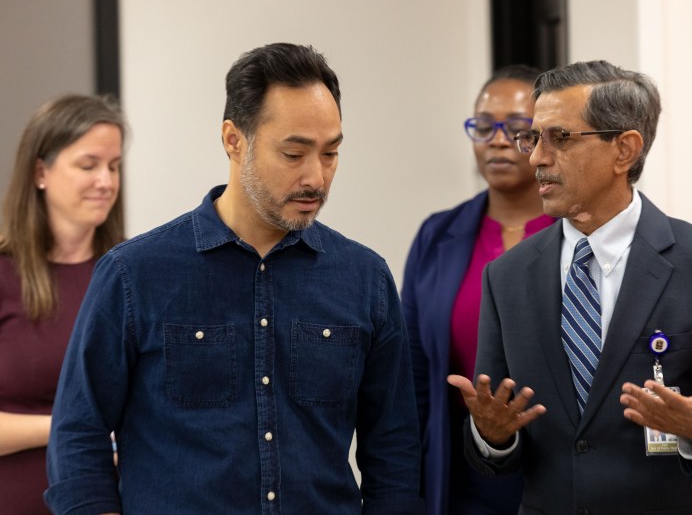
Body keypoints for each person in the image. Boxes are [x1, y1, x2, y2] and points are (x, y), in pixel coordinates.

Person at [45, 43, 423, 515]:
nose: (316, 178)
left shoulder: (365, 278)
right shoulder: (134, 275)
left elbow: (395, 451)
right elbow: (78, 433)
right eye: (293, 152)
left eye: (330, 153)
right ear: (233, 139)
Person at [448, 60, 692, 514]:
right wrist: (491, 436)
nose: (537, 158)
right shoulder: (506, 276)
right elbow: (497, 440)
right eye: (534, 137)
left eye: (559, 138)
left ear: (624, 150)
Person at [402, 64, 553, 515]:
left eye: (519, 128)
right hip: (461, 477)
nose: (499, 140)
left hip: (561, 472)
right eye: (485, 127)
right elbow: (413, 375)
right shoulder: (437, 234)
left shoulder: (579, 233)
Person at [0, 95, 125, 514]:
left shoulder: (130, 275)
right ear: (40, 172)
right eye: (88, 165)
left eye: (114, 166)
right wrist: (71, 430)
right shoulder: (3, 274)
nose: (105, 181)